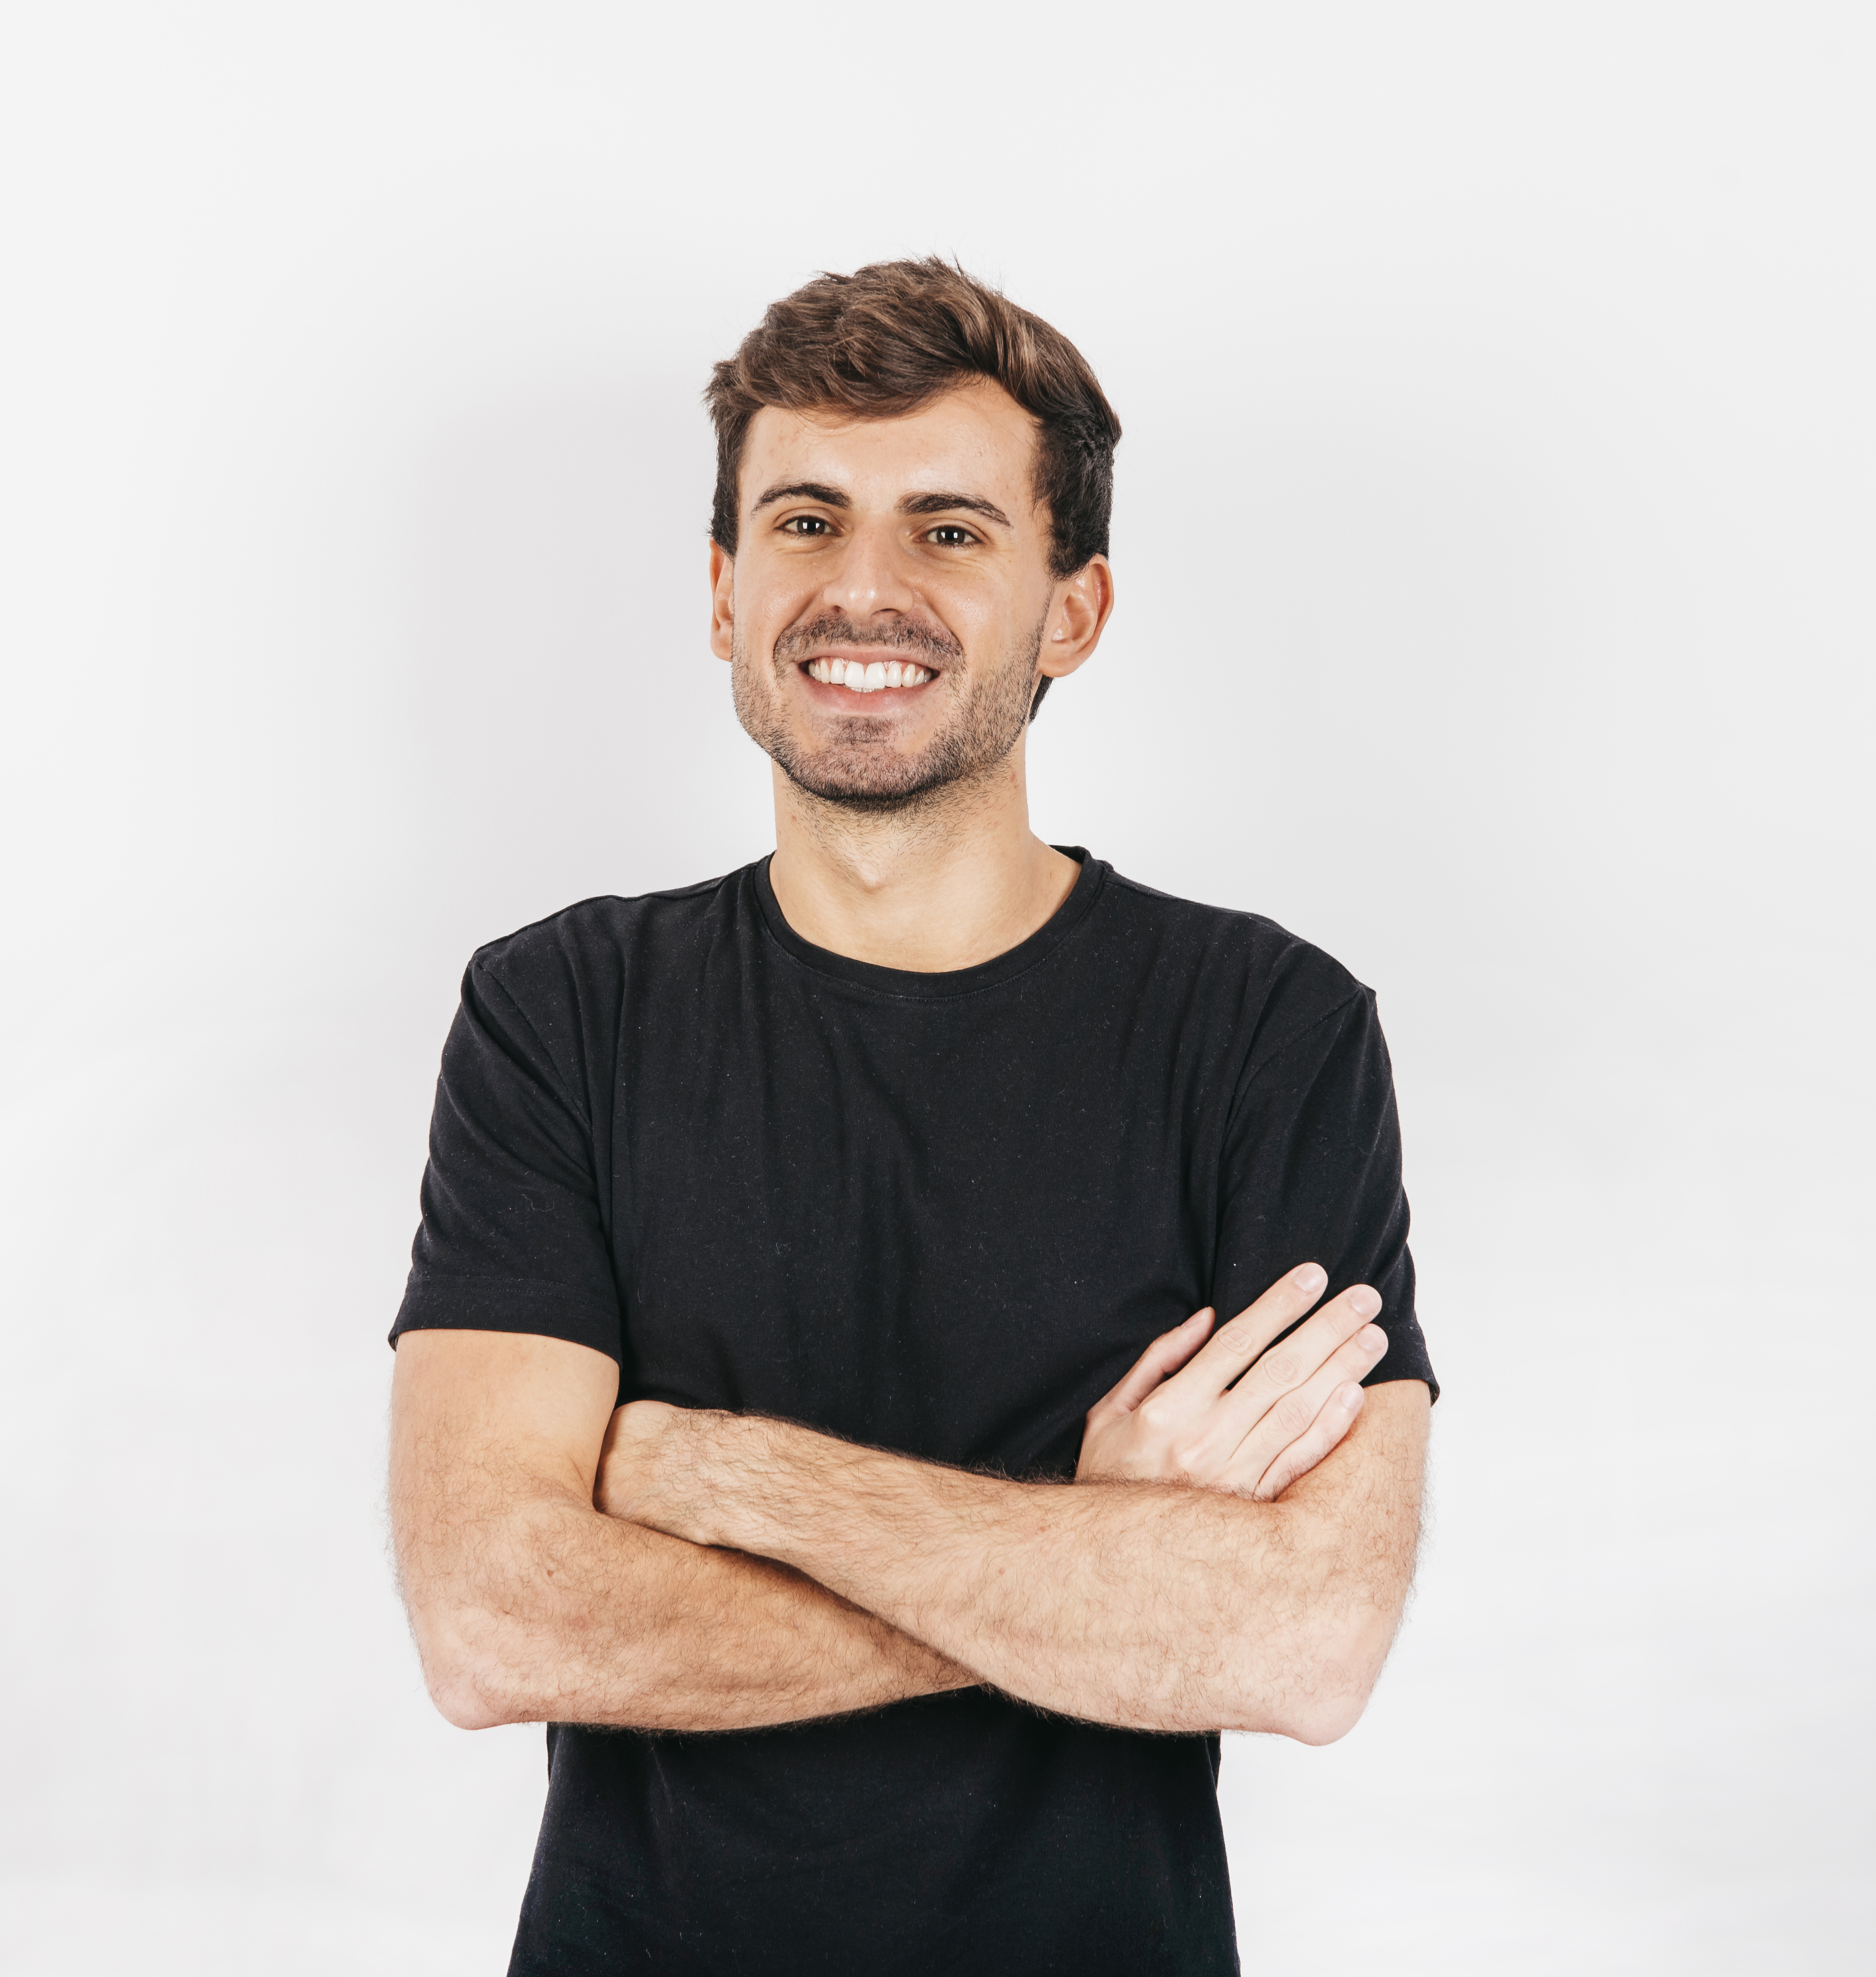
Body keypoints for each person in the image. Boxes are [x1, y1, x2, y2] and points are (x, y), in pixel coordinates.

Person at [387, 258, 1437, 1977]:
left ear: (1072, 613)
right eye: (805, 521)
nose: (862, 587)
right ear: (724, 592)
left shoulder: (1267, 1029)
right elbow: (494, 1622)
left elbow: (1307, 1645)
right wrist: (1094, 1545)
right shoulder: (563, 1011)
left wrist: (719, 1473)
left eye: (950, 531)